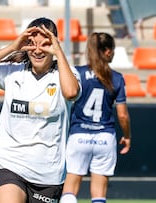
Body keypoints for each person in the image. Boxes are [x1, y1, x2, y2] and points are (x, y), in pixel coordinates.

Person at [0, 17, 80, 203]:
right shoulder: (13, 72)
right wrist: (12, 47)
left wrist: (59, 52)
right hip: (10, 164)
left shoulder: (67, 73)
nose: (37, 50)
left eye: (45, 44)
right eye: (32, 44)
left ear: (55, 45)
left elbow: (71, 92)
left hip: (48, 175)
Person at [59, 32, 132, 203]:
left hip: (79, 136)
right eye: (112, 50)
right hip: (105, 138)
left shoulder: (77, 73)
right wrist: (127, 136)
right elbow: (122, 114)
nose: (113, 54)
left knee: (69, 190)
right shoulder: (117, 78)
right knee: (99, 194)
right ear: (107, 52)